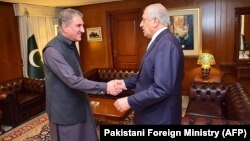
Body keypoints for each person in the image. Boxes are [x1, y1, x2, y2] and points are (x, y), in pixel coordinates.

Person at [43, 8, 123, 141]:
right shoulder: (52, 51)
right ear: (65, 27)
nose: (83, 30)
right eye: (78, 26)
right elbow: (73, 80)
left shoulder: (71, 44)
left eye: (83, 25)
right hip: (65, 111)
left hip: (79, 102)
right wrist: (106, 87)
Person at [113, 3, 184, 124]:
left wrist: (130, 101)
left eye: (143, 19)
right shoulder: (160, 41)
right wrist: (124, 83)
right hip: (152, 113)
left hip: (159, 117)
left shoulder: (166, 44)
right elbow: (148, 75)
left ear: (155, 21)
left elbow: (162, 88)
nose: (140, 24)